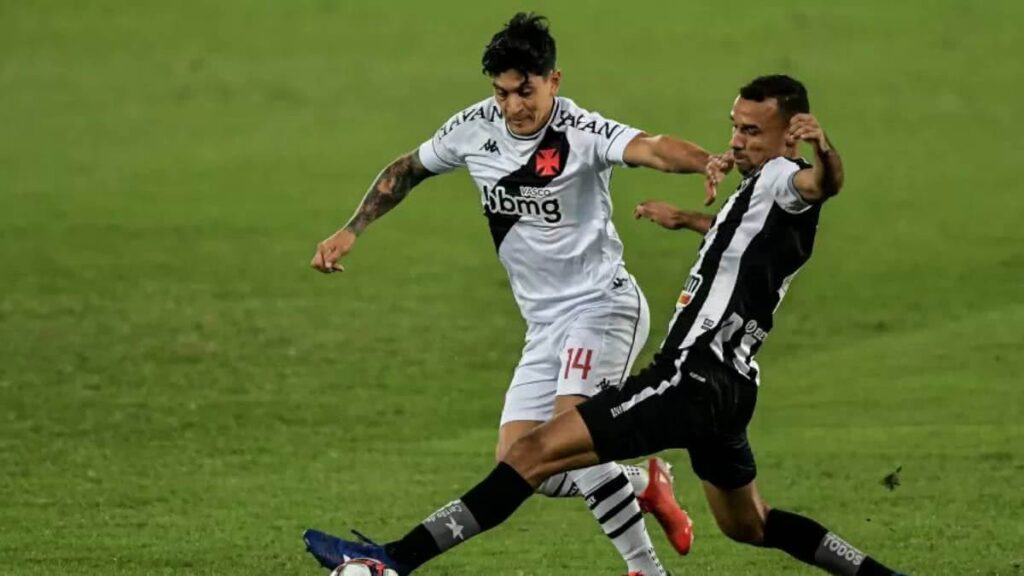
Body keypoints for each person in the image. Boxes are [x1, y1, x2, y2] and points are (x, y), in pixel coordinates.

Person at [304, 75, 909, 576]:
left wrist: (826, 149)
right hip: (732, 387)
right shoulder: (762, 194)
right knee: (750, 524)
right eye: (734, 125)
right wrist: (688, 221)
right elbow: (746, 245)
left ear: (791, 133)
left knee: (533, 451)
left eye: (752, 130)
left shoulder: (788, 179)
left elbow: (824, 184)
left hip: (690, 376)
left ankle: (390, 562)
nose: (736, 139)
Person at [309, 12, 720, 575]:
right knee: (520, 464)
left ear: (554, 80)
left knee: (568, 431)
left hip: (602, 307)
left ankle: (646, 570)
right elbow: (407, 168)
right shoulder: (474, 127)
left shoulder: (580, 132)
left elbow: (650, 147)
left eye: (525, 91)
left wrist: (710, 162)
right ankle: (642, 481)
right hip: (544, 326)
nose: (514, 106)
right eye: (503, 93)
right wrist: (350, 229)